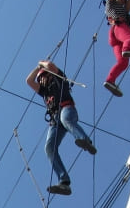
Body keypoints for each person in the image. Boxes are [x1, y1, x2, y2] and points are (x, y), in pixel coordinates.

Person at [26, 60, 96, 196]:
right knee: (49, 147)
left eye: (43, 77)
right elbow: (29, 81)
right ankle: (64, 182)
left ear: (49, 75)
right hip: (55, 120)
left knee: (66, 120)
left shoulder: (59, 78)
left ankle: (85, 140)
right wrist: (37, 68)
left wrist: (42, 63)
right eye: (40, 79)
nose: (41, 81)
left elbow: (51, 66)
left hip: (66, 108)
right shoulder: (44, 91)